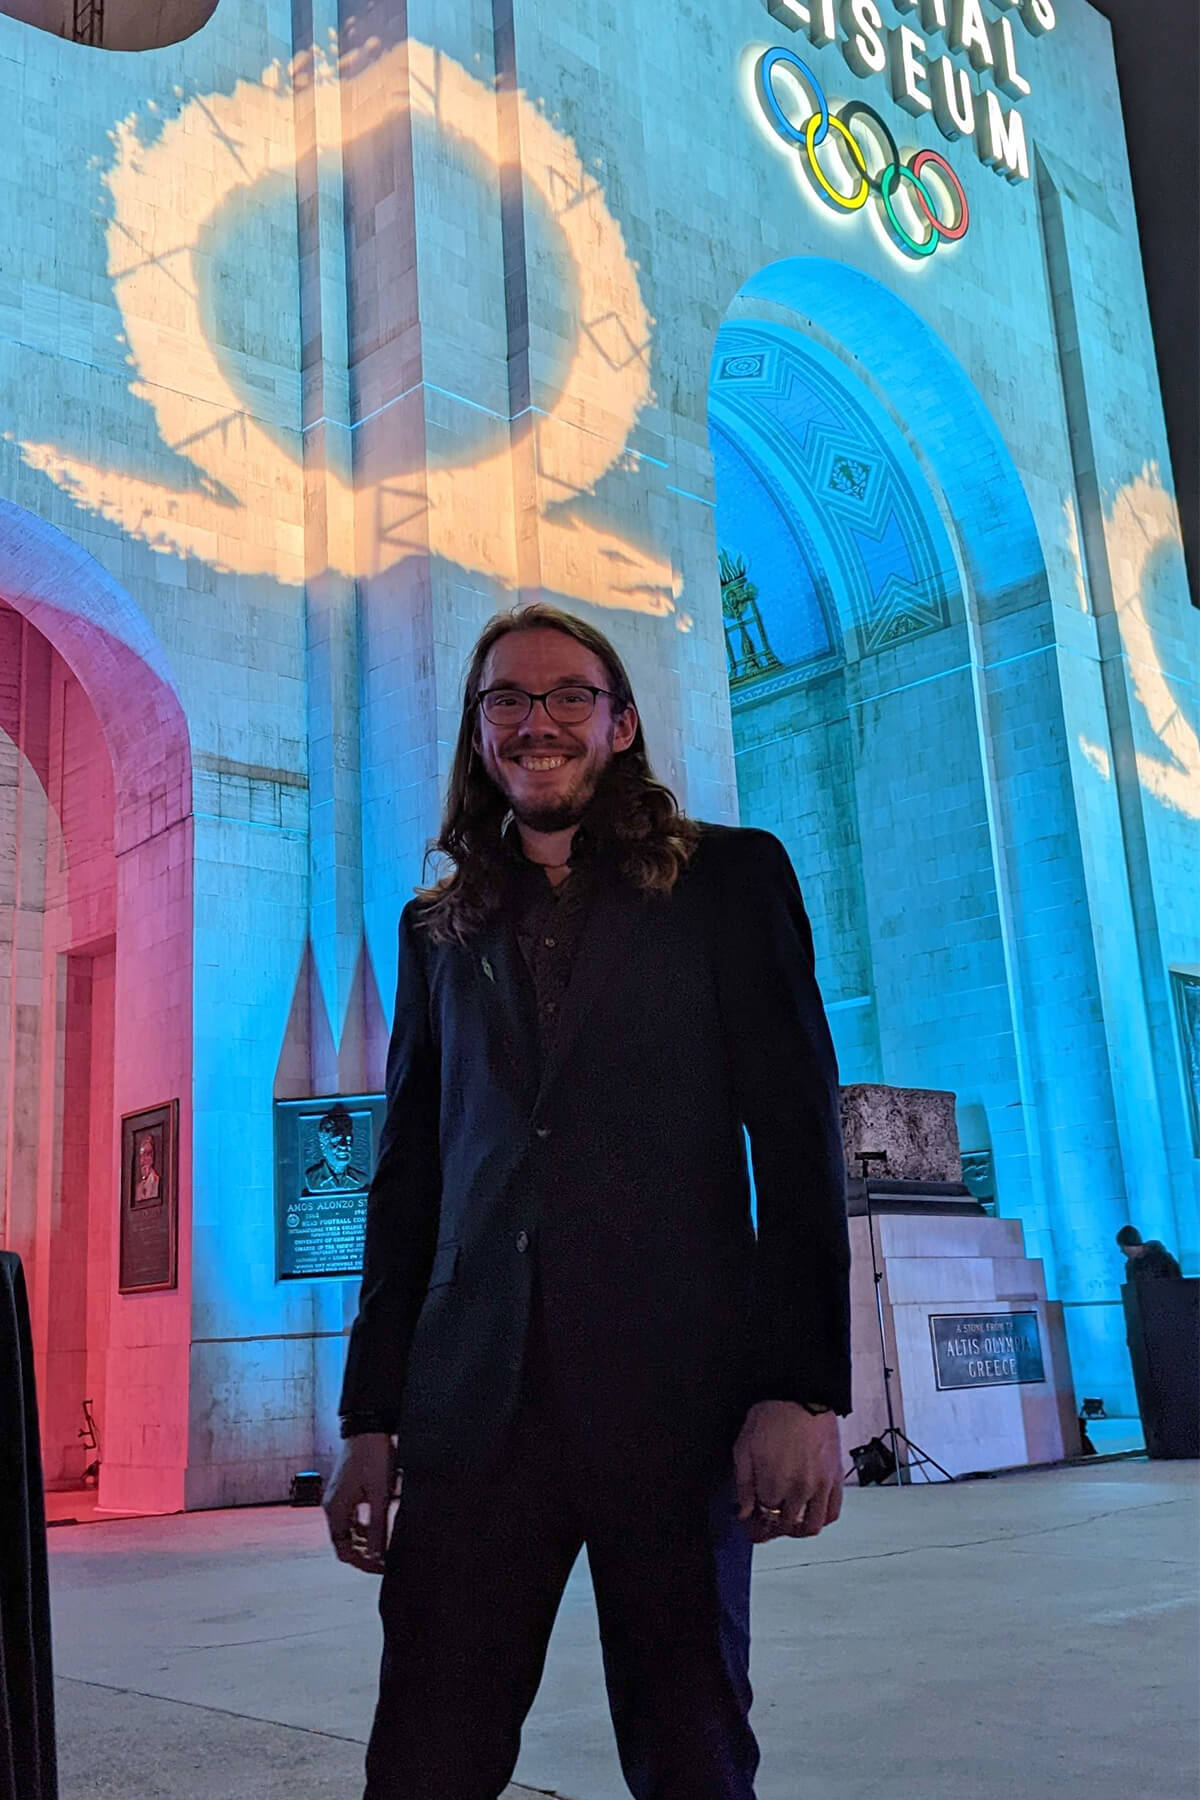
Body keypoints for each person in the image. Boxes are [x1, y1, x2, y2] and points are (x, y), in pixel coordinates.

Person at [324, 602, 851, 1800]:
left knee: (692, 1754)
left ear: (619, 725)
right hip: (472, 1411)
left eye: (569, 696)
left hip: (674, 1402)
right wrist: (371, 1416)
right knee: (424, 1758)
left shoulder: (729, 880)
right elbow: (410, 1179)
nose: (537, 721)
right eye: (506, 699)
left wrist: (802, 1387)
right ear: (478, 733)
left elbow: (798, 1141)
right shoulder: (435, 929)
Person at [304, 1105, 368, 1192]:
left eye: (348, 1140)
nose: (344, 1146)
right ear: (323, 1145)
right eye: (337, 1140)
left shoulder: (361, 1179)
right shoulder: (312, 1179)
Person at [1116, 1224, 1182, 1280]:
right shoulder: (1131, 1266)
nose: (1122, 1251)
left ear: (1130, 1244)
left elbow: (1178, 1283)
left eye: (1122, 1246)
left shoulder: (1164, 1258)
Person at [133, 1133, 160, 1203]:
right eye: (141, 1156)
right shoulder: (139, 1187)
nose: (143, 1160)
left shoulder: (156, 1180)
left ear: (153, 1157)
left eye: (147, 1154)